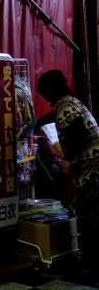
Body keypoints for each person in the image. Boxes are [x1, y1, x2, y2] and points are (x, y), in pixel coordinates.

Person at [37, 69, 99, 265]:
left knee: (91, 217)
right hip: (93, 167)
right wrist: (36, 123)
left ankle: (91, 262)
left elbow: (77, 137)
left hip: (91, 170)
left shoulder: (65, 107)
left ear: (48, 89)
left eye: (44, 93)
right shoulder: (70, 102)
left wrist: (69, 163)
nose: (45, 99)